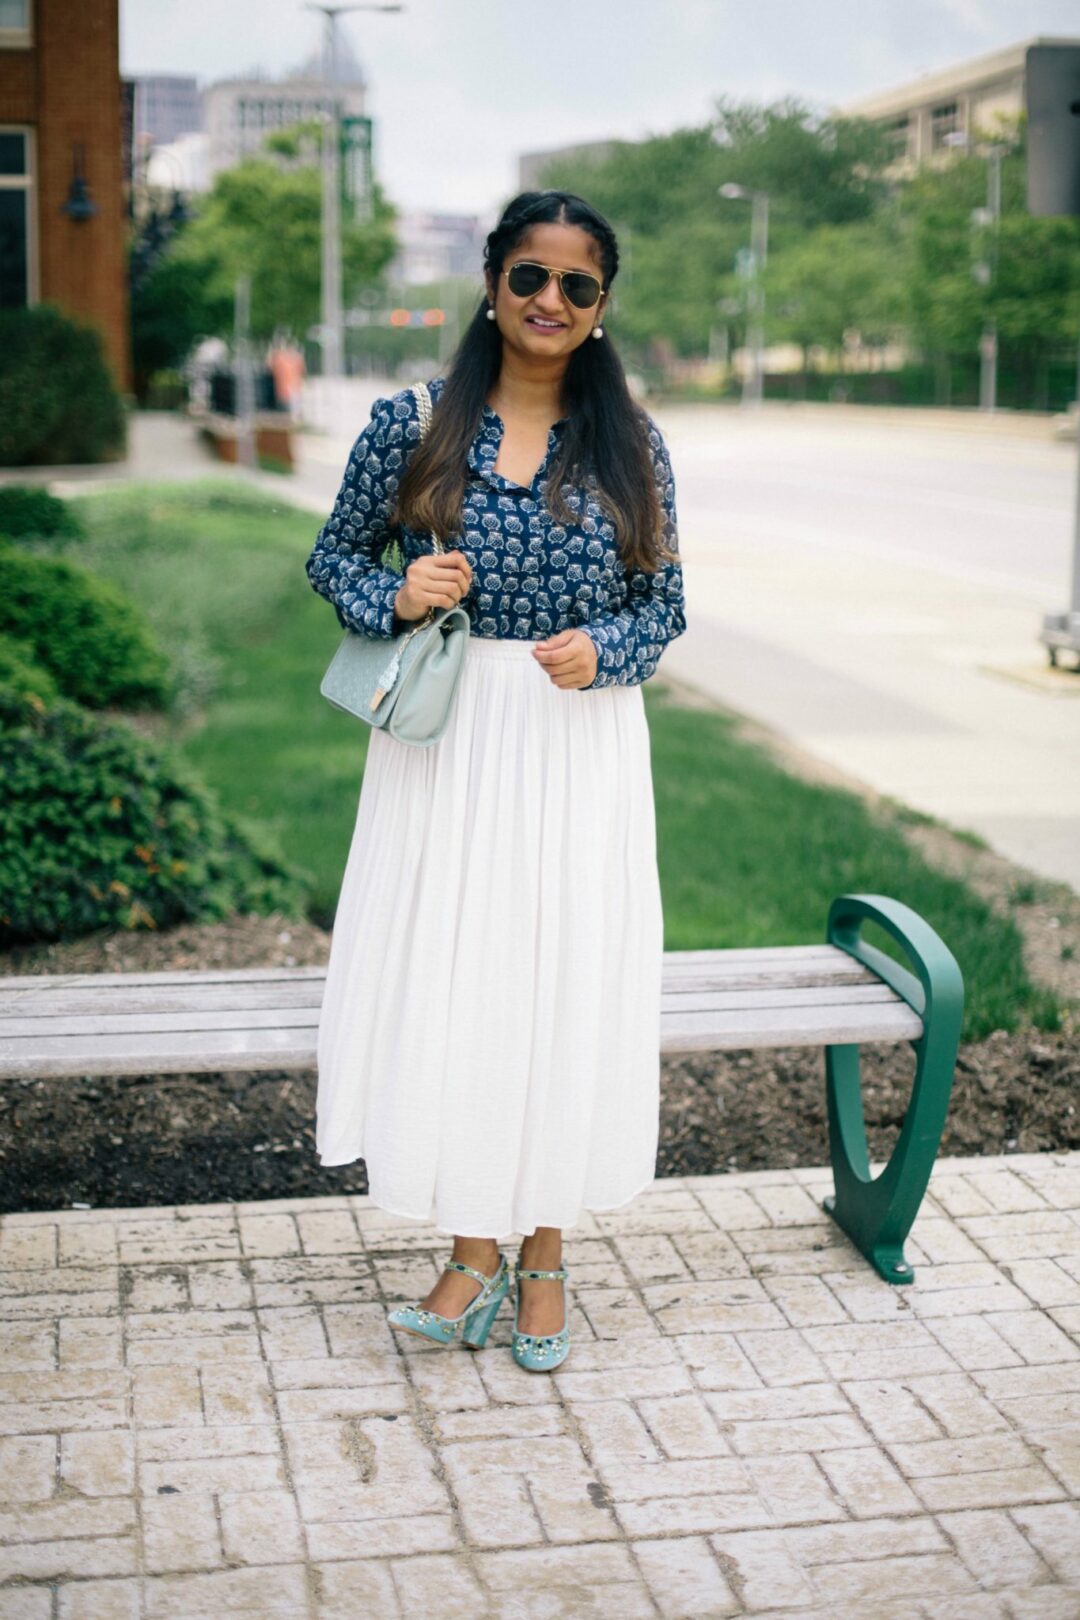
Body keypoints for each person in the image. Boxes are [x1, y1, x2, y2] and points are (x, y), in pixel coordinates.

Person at [304, 188, 687, 1372]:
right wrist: (397, 595)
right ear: (492, 285)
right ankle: (475, 1253)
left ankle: (547, 1256)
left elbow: (664, 605)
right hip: (451, 741)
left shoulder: (633, 444)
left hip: (578, 745)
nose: (550, 301)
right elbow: (333, 559)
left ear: (602, 308)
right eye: (531, 276)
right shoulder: (412, 422)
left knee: (562, 979)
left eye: (577, 285)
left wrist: (604, 652)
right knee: (466, 981)